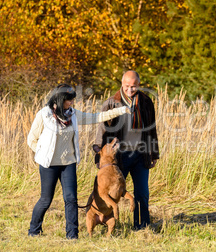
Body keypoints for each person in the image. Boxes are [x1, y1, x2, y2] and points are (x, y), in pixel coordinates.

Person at [27, 84, 130, 239]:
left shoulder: (73, 114)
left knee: (71, 199)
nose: (72, 103)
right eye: (69, 100)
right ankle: (34, 231)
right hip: (48, 164)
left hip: (68, 163)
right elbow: (31, 139)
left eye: (73, 100)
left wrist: (121, 110)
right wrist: (42, 154)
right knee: (46, 199)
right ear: (60, 99)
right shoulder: (44, 115)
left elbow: (97, 117)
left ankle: (72, 235)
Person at [93, 70, 159, 230]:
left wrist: (154, 152)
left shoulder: (145, 102)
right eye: (127, 86)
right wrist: (98, 155)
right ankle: (105, 222)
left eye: (134, 86)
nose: (130, 90)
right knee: (110, 191)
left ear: (139, 85)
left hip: (140, 154)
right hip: (118, 157)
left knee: (142, 193)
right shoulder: (111, 103)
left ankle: (142, 227)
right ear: (122, 84)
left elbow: (151, 129)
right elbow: (101, 129)